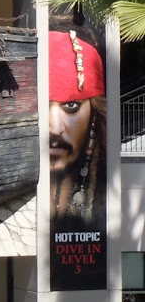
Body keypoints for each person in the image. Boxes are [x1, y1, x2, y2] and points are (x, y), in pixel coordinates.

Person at [49, 20, 106, 224]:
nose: (54, 128)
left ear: (93, 115)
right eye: (41, 107)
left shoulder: (108, 197)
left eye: (71, 106)